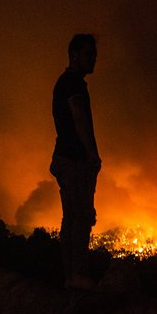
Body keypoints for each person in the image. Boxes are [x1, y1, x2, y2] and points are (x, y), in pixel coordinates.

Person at [50, 33, 101, 290]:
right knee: (80, 217)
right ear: (74, 55)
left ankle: (70, 276)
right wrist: (92, 154)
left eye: (94, 54)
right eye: (88, 54)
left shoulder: (66, 82)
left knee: (71, 217)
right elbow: (80, 119)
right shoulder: (73, 84)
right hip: (74, 161)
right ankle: (77, 275)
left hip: (65, 158)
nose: (93, 59)